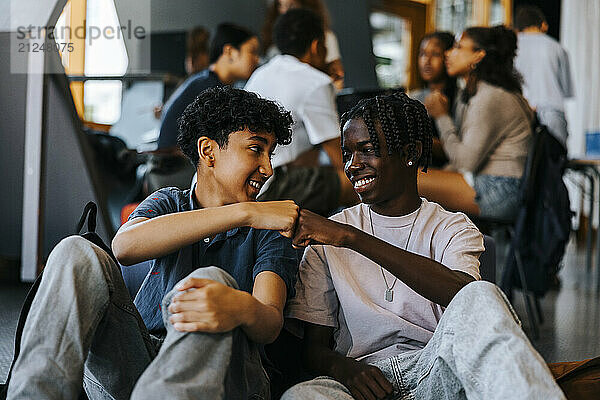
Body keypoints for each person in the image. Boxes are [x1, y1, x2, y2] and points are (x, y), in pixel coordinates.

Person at [7, 87, 301, 400]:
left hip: (227, 376)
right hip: (140, 365)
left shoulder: (268, 229)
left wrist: (238, 306)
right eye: (256, 149)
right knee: (75, 250)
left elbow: (270, 323)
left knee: (209, 283)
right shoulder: (169, 202)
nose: (268, 168)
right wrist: (243, 213)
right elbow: (125, 247)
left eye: (270, 154)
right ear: (208, 151)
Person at [280, 92, 565, 400]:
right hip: (361, 379)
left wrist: (353, 238)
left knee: (482, 293)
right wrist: (344, 369)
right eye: (347, 154)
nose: (353, 165)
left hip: (434, 366)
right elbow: (314, 348)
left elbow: (464, 298)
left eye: (366, 150)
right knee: (302, 396)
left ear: (410, 153)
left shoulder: (451, 226)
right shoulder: (328, 238)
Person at [246, 8, 357, 216]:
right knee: (364, 180)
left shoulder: (260, 74)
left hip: (249, 182)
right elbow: (340, 158)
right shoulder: (316, 83)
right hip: (272, 185)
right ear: (316, 46)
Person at [421, 25, 533, 220]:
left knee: (400, 182)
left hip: (500, 189)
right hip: (496, 184)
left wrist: (441, 116)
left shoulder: (490, 97)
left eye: (458, 47)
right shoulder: (481, 93)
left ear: (478, 56)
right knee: (411, 179)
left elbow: (465, 162)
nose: (448, 53)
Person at [157, 23, 260, 150]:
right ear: (230, 52)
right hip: (176, 164)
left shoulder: (205, 81)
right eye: (252, 51)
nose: (257, 59)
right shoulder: (209, 89)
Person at [514, 5, 574, 147]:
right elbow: (566, 89)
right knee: (554, 161)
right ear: (543, 25)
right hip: (552, 110)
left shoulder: (513, 46)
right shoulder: (557, 48)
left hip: (521, 111)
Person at [261, 0, 345, 90]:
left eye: (291, 5)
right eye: (280, 5)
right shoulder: (274, 45)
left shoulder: (326, 37)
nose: (285, 11)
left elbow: (337, 73)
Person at [410, 31, 457, 166]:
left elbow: (456, 150)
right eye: (423, 54)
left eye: (435, 54)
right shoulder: (414, 97)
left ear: (448, 57)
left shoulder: (460, 99)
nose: (427, 61)